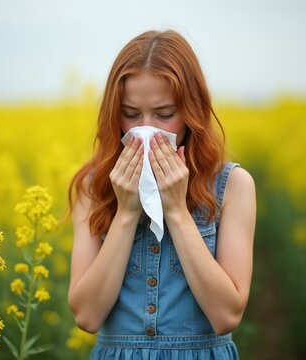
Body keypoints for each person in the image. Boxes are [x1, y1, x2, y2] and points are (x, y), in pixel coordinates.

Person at [67, 29, 256, 359]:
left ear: (191, 111)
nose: (146, 129)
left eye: (164, 114)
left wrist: (177, 212)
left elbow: (227, 316)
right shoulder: (92, 186)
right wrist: (125, 213)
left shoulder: (232, 185)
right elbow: (87, 315)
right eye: (131, 114)